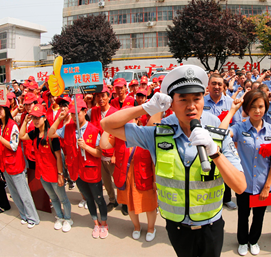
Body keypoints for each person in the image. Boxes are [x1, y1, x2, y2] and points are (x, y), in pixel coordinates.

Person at [101, 65, 246, 257]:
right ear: (172, 103)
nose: (191, 105)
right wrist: (145, 108)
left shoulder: (217, 134)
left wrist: (214, 152)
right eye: (183, 99)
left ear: (204, 99)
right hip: (177, 227)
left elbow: (240, 186)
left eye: (197, 98)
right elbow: (107, 125)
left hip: (211, 225)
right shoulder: (159, 134)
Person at [221, 90, 271, 256]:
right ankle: (242, 241)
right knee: (243, 215)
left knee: (258, 216)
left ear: (266, 107)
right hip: (243, 184)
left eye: (260, 106)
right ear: (246, 108)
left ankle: (253, 240)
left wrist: (268, 185)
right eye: (252, 107)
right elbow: (221, 133)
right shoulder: (239, 128)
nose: (257, 110)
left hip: (262, 184)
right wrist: (232, 110)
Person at [50, 99, 108, 239]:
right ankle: (96, 222)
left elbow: (99, 153)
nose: (75, 116)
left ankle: (104, 224)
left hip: (92, 171)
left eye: (78, 113)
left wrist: (86, 147)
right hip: (76, 172)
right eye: (73, 114)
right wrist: (59, 119)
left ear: (84, 111)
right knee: (88, 199)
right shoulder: (68, 128)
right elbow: (51, 134)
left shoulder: (93, 130)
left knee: (99, 199)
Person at [101, 121, 158, 242]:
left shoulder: (146, 135)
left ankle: (151, 228)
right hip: (126, 178)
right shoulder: (118, 137)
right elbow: (104, 145)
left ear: (137, 120)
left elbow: (153, 161)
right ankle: (136, 227)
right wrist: (108, 126)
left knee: (150, 206)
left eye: (131, 118)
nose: (128, 121)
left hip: (144, 177)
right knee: (130, 205)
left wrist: (155, 181)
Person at [20, 104, 73, 232]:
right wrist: (25, 122)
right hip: (42, 173)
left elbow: (58, 157)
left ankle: (67, 218)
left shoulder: (51, 136)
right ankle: (59, 217)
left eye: (38, 117)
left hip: (54, 173)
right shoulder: (34, 133)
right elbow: (22, 136)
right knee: (53, 197)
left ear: (44, 118)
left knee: (62, 198)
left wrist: (60, 174)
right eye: (34, 118)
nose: (36, 121)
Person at [0, 102, 38, 226]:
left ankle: (33, 217)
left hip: (15, 165)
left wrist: (0, 138)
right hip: (4, 165)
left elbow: (13, 146)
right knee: (14, 193)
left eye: (1, 109)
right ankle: (23, 214)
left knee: (24, 193)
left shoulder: (12, 126)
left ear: (7, 110)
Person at [204, 73, 241, 211]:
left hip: (225, 144)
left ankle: (226, 199)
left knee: (225, 170)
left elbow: (237, 124)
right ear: (208, 85)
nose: (217, 87)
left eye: (220, 84)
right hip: (205, 143)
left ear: (224, 86)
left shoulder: (230, 103)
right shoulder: (201, 101)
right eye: (213, 83)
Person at [87, 86, 119, 212]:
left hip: (112, 154)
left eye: (103, 96)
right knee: (106, 181)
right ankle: (112, 200)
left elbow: (119, 136)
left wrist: (115, 154)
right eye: (98, 96)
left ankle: (125, 202)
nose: (100, 99)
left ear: (109, 96)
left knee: (118, 180)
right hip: (99, 154)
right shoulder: (93, 112)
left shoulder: (115, 112)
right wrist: (88, 101)